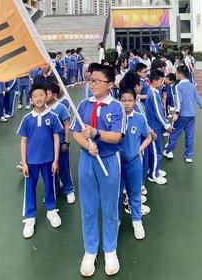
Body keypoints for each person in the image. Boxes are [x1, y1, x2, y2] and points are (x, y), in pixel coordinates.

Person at [71, 64, 125, 277]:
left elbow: (117, 136)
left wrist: (96, 134)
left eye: (97, 81)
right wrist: (87, 145)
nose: (92, 84)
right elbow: (76, 132)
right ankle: (90, 250)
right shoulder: (83, 105)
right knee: (89, 206)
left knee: (110, 206)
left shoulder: (116, 107)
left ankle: (110, 249)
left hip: (109, 161)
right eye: (90, 80)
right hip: (87, 161)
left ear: (109, 84)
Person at [19, 84, 63, 239]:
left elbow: (56, 138)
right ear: (31, 99)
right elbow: (23, 141)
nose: (38, 98)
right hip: (31, 162)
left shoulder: (52, 117)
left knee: (50, 186)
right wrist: (24, 163)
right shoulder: (27, 119)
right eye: (35, 96)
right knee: (30, 188)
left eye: (41, 95)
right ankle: (30, 218)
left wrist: (56, 160)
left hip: (49, 160)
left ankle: (51, 210)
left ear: (47, 97)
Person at [119, 89, 152, 240]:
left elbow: (148, 137)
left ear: (134, 101)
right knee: (117, 194)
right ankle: (116, 220)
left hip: (134, 163)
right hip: (117, 164)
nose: (126, 103)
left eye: (129, 100)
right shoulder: (115, 118)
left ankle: (137, 220)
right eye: (123, 100)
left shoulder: (139, 118)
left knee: (135, 192)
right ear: (119, 101)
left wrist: (139, 149)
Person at [164, 65, 202, 163]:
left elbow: (179, 101)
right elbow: (198, 98)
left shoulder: (178, 86)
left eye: (176, 73)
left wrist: (176, 112)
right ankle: (189, 156)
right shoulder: (192, 85)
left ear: (179, 74)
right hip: (191, 115)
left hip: (182, 115)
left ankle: (168, 151)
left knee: (174, 134)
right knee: (190, 135)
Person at [46, 83, 75, 204]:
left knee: (63, 167)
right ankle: (55, 189)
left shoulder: (61, 108)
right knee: (50, 169)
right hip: (47, 146)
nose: (44, 96)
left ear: (54, 95)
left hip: (61, 143)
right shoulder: (43, 108)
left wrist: (66, 142)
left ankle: (69, 190)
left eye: (46, 94)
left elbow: (66, 125)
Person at [145, 69, 171, 184]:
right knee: (156, 152)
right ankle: (153, 174)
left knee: (156, 151)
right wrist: (166, 125)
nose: (162, 83)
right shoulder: (154, 94)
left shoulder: (154, 92)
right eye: (161, 81)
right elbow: (158, 113)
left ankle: (155, 169)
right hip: (154, 127)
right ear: (154, 81)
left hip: (155, 126)